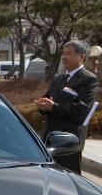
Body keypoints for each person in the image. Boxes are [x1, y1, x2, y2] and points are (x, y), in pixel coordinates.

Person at [38, 40, 98, 174]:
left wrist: (54, 107)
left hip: (69, 143)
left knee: (69, 183)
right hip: (48, 140)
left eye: (69, 54)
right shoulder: (58, 78)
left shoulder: (88, 79)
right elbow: (47, 100)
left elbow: (81, 110)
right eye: (63, 54)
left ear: (82, 56)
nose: (64, 57)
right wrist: (42, 106)